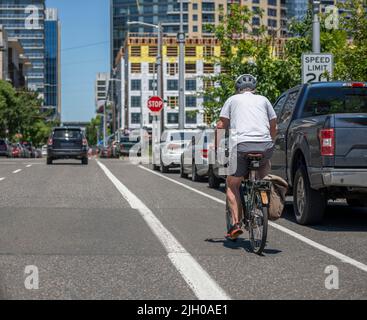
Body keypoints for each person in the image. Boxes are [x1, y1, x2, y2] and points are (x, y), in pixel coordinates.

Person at [216, 74, 277, 241]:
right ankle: (261, 187)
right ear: (254, 88)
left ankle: (235, 224)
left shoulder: (232, 100)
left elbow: (221, 125)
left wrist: (216, 146)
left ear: (237, 89)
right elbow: (273, 125)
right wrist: (271, 141)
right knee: (265, 166)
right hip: (264, 145)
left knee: (232, 184)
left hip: (241, 146)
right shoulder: (264, 100)